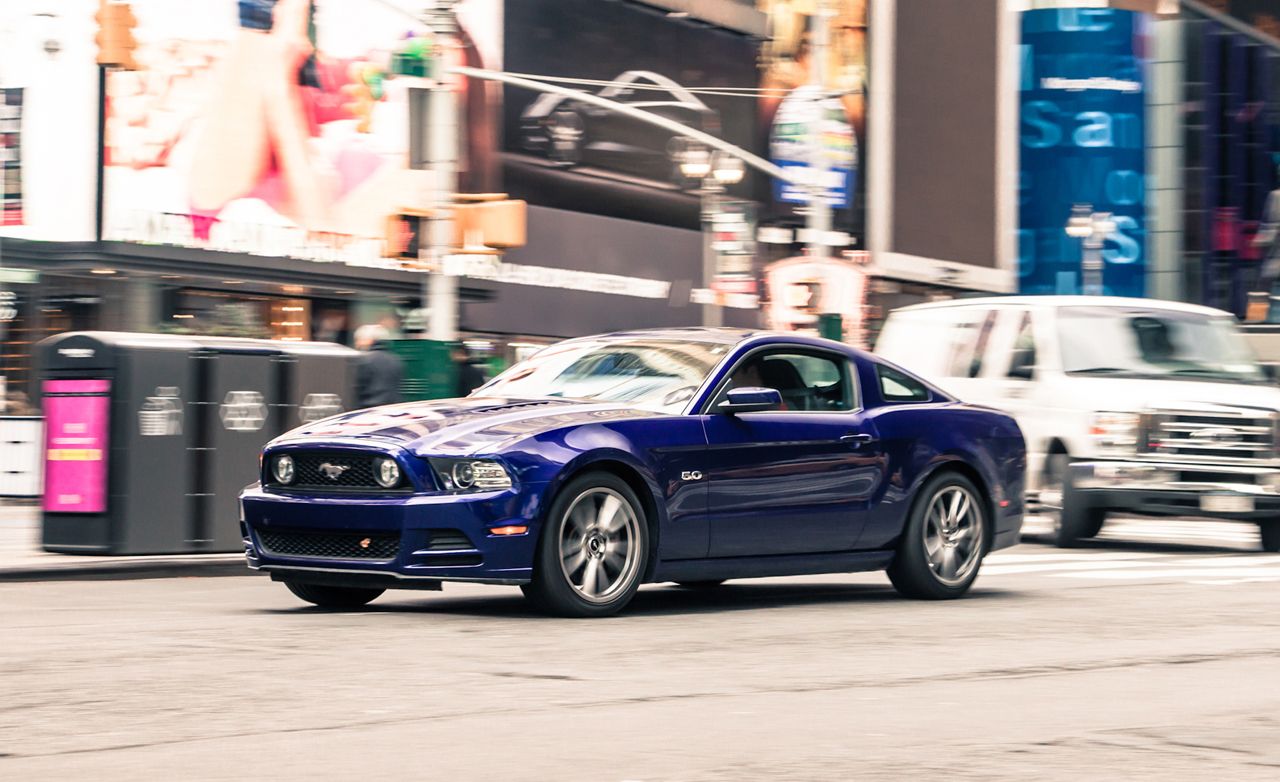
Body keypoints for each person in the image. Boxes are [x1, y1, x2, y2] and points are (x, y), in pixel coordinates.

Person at [354, 324, 403, 408]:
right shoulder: (395, 359)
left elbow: (357, 389)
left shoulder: (364, 359)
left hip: (369, 411)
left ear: (369, 340)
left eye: (359, 340)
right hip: (393, 410)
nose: (357, 344)